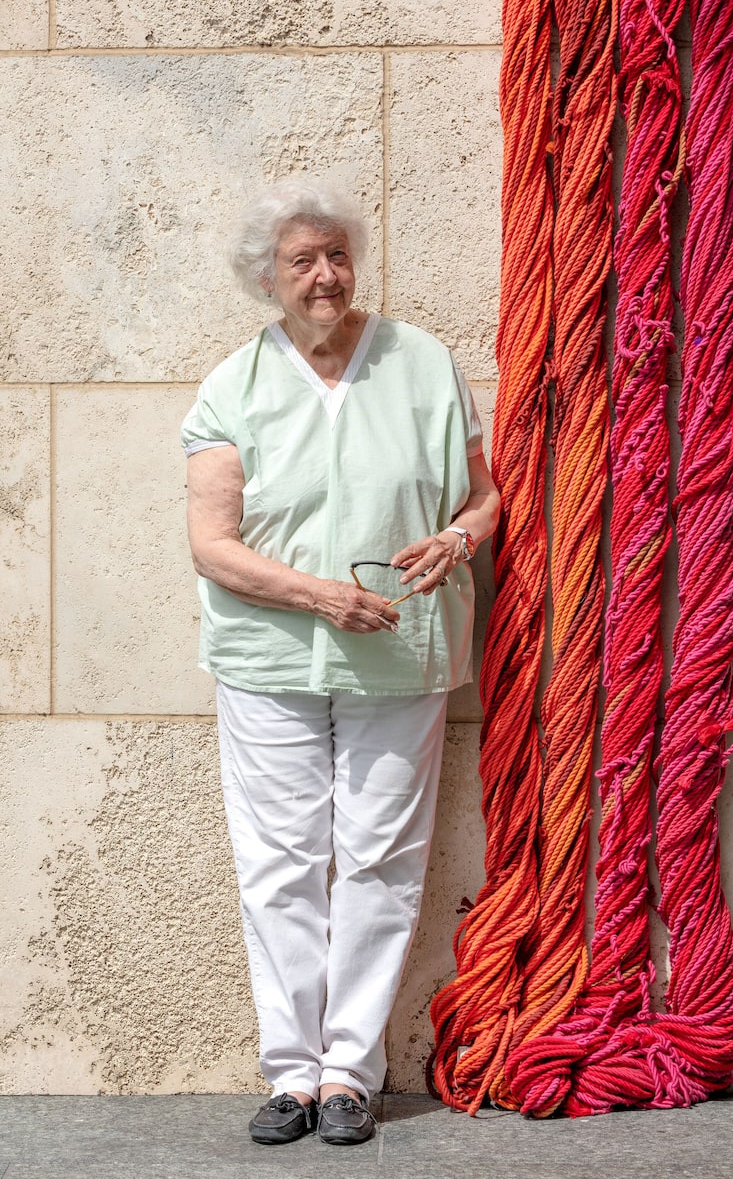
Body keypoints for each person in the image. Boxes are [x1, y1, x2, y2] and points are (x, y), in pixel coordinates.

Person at [181, 176, 500, 1147]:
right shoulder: (230, 386)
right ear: (267, 280)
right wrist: (321, 595)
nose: (324, 275)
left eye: (336, 255)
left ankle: (348, 1075)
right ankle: (289, 1070)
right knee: (279, 864)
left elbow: (482, 500)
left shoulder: (422, 364)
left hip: (401, 647)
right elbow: (214, 544)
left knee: (379, 858)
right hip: (268, 656)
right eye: (301, 261)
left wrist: (458, 540)